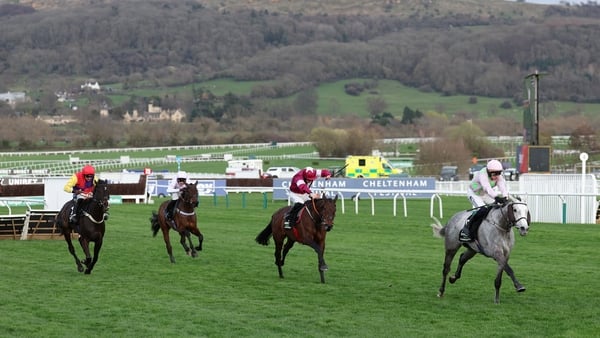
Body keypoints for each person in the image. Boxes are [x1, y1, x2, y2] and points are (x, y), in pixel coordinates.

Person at [459, 159, 509, 242]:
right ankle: (466, 230)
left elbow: (503, 188)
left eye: (499, 173)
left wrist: (505, 197)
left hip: (485, 194)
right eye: (495, 173)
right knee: (482, 210)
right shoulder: (483, 174)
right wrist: (496, 197)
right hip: (474, 193)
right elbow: (487, 187)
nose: (497, 175)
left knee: (496, 208)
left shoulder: (499, 177)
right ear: (489, 172)